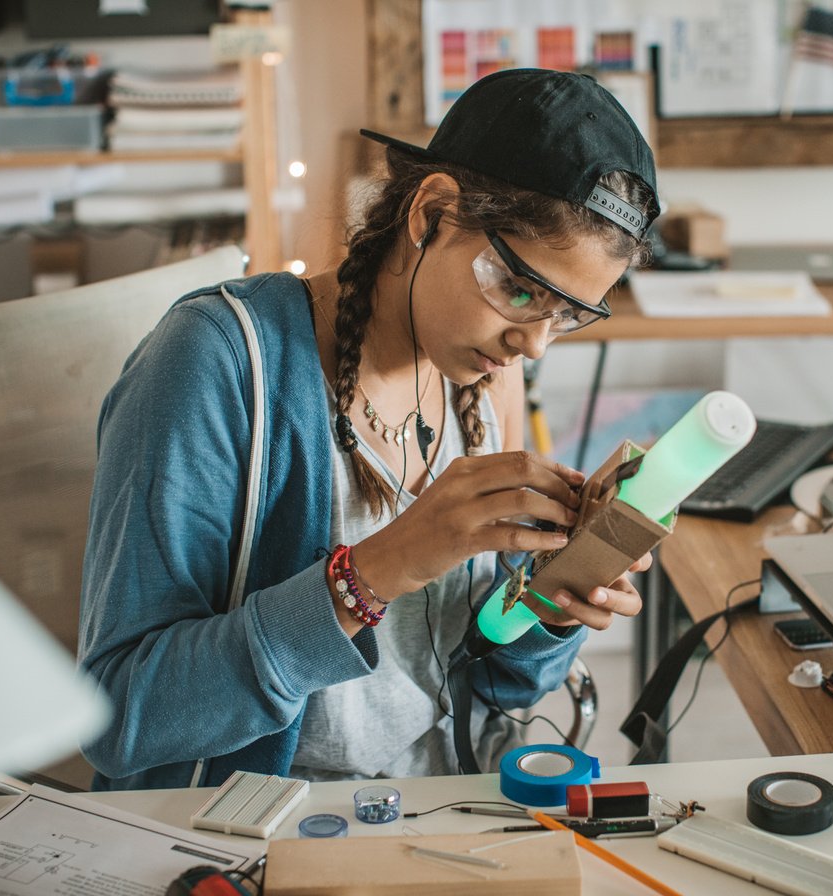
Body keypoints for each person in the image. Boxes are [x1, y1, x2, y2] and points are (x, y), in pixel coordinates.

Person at [78, 68, 661, 790]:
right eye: (519, 290)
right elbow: (118, 717)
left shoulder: (485, 381)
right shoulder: (214, 361)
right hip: (254, 831)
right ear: (432, 213)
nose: (535, 345)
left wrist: (548, 607)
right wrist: (378, 571)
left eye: (568, 314)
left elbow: (493, 689)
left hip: (445, 802)